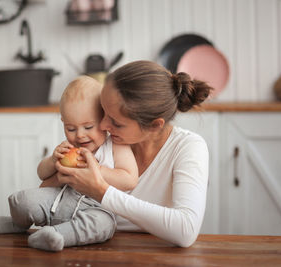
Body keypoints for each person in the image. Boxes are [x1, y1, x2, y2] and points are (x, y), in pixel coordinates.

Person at [53, 60, 213, 248]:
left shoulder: (187, 147)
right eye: (103, 112)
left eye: (116, 122)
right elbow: (52, 192)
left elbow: (186, 230)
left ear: (154, 125)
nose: (103, 126)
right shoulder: (100, 142)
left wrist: (101, 192)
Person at [0, 75, 138, 252]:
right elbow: (42, 174)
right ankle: (17, 224)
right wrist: (52, 160)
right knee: (22, 200)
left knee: (102, 226)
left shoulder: (115, 146)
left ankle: (57, 236)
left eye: (88, 127)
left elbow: (129, 179)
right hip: (57, 201)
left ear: (104, 119)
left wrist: (97, 169)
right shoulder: (69, 148)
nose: (79, 135)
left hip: (96, 208)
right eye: (70, 129)